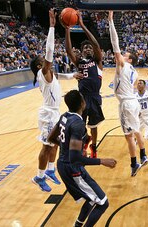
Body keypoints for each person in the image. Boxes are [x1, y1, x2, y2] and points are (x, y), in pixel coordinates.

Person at [48, 90, 117, 227]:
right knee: (103, 202)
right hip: (71, 168)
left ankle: (78, 225)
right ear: (82, 103)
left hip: (63, 164)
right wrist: (102, 161)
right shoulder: (78, 124)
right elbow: (75, 159)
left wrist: (67, 148)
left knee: (91, 199)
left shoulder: (64, 116)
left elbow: (51, 138)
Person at [30, 9, 77, 192]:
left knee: (55, 143)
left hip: (55, 112)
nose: (46, 59)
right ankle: (39, 176)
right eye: (43, 60)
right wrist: (51, 27)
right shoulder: (43, 73)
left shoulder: (50, 74)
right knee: (46, 146)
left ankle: (50, 171)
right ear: (39, 66)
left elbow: (60, 76)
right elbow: (49, 52)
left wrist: (73, 75)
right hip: (48, 113)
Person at [108, 11, 148, 177]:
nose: (121, 55)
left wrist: (111, 21)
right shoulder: (134, 71)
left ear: (129, 60)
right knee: (136, 130)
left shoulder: (123, 65)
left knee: (128, 136)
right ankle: (144, 155)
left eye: (125, 55)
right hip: (133, 102)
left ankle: (134, 164)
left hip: (126, 103)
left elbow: (114, 44)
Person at [63, 10, 104, 158]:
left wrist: (82, 25)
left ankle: (93, 146)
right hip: (82, 97)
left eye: (89, 48)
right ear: (81, 51)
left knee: (93, 126)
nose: (87, 48)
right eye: (84, 48)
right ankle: (85, 141)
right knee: (80, 125)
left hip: (94, 97)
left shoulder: (97, 61)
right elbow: (68, 50)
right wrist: (68, 30)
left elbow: (96, 44)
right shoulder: (79, 63)